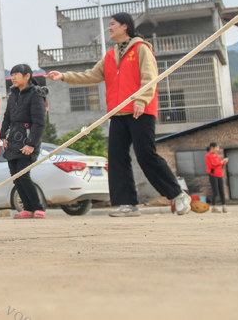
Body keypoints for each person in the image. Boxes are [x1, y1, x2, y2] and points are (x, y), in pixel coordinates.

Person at [48, 13, 192, 217]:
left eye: (113, 24)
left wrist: (141, 101)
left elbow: (150, 77)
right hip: (117, 112)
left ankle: (178, 195)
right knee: (117, 158)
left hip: (140, 110)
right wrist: (64, 76)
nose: (109, 28)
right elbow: (91, 75)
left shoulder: (141, 49)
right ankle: (127, 204)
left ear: (125, 26)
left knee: (145, 155)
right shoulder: (109, 56)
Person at [0, 64, 46, 219]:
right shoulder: (12, 94)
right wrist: (3, 136)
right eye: (12, 75)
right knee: (15, 176)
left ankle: (38, 208)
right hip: (13, 139)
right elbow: (7, 116)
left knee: (23, 174)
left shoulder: (36, 94)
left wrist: (31, 144)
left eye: (16, 74)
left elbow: (39, 122)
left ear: (27, 76)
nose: (13, 78)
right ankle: (28, 209)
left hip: (27, 140)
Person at [206, 142, 229, 213]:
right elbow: (214, 164)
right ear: (212, 148)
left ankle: (224, 207)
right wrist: (222, 162)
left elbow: (220, 165)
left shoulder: (216, 155)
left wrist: (223, 163)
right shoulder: (208, 155)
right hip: (213, 175)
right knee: (215, 191)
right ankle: (213, 207)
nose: (218, 149)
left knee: (222, 191)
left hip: (219, 174)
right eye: (217, 147)